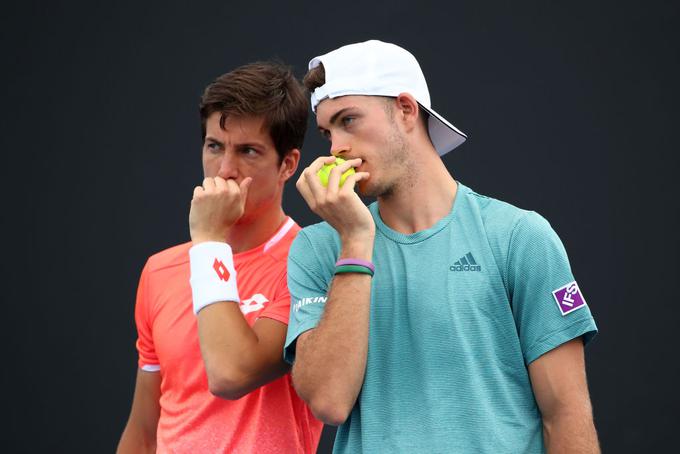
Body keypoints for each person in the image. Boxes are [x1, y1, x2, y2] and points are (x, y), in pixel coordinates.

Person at [285, 40, 600, 453]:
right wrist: (355, 241)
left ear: (405, 109)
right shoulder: (317, 247)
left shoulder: (519, 237)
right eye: (327, 132)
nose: (335, 148)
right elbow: (328, 401)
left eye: (349, 121)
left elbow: (566, 417)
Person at [117, 61, 323, 453]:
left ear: (288, 165)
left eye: (248, 151)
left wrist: (209, 240)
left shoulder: (308, 262)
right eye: (214, 146)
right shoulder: (160, 270)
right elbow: (144, 430)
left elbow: (231, 374)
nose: (225, 170)